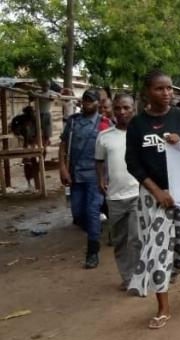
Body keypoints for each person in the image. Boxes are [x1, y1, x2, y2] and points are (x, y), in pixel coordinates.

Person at [125, 70, 180, 328]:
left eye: (170, 88)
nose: (167, 93)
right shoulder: (137, 125)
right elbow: (132, 163)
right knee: (157, 249)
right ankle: (163, 307)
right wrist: (156, 191)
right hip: (153, 196)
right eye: (160, 89)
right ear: (148, 91)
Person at [59, 89, 113, 269]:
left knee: (91, 212)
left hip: (95, 175)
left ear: (98, 103)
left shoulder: (105, 123)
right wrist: (63, 168)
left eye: (90, 101)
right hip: (75, 174)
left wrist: (108, 176)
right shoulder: (73, 122)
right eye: (85, 101)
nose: (86, 104)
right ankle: (105, 219)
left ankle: (92, 252)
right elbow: (63, 144)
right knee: (78, 213)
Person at [95, 94, 141, 291]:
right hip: (114, 197)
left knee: (137, 237)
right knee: (120, 240)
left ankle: (141, 277)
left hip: (138, 194)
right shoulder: (104, 137)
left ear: (133, 109)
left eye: (126, 108)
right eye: (118, 109)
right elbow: (98, 161)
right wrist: (101, 179)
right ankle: (127, 277)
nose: (122, 112)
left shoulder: (141, 133)